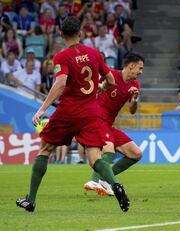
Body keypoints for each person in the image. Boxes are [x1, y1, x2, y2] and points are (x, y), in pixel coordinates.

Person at [16, 16, 129, 213]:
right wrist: (101, 87)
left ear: (61, 34)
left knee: (45, 149)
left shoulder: (61, 56)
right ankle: (114, 184)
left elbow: (60, 83)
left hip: (68, 111)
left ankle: (30, 200)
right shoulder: (94, 53)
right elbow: (111, 79)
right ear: (80, 33)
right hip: (91, 112)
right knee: (94, 158)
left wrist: (42, 109)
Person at [84, 53, 144, 196]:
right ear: (131, 66)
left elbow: (132, 111)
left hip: (109, 123)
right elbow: (90, 87)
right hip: (97, 118)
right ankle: (94, 180)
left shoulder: (135, 85)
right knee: (108, 150)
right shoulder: (110, 75)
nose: (141, 72)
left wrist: (135, 99)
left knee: (136, 154)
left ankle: (104, 179)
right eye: (140, 68)